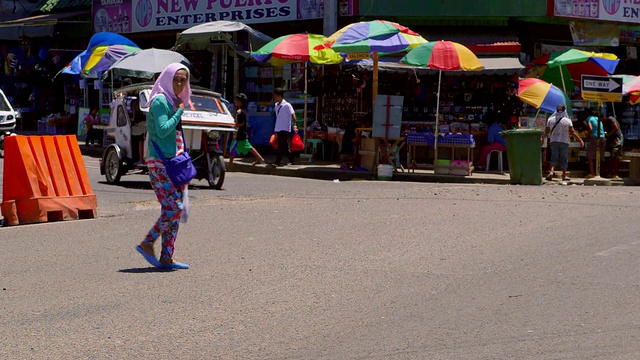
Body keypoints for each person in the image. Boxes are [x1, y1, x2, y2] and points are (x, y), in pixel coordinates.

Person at [135, 63, 192, 270]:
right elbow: (162, 130)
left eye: (183, 80)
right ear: (167, 79)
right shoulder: (160, 101)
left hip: (171, 163)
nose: (179, 83)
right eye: (176, 79)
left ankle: (167, 256)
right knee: (173, 208)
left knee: (174, 210)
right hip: (159, 163)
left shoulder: (173, 101)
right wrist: (178, 113)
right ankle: (147, 243)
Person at [545, 104, 584, 181]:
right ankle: (564, 175)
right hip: (564, 141)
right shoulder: (567, 120)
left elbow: (547, 131)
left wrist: (543, 137)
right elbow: (572, 132)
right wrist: (580, 140)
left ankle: (551, 172)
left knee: (554, 157)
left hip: (554, 141)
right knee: (564, 158)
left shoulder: (551, 119)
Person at [229, 93, 264, 165]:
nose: (235, 102)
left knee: (236, 147)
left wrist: (235, 125)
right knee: (239, 147)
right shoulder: (243, 110)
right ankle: (230, 162)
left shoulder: (240, 112)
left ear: (240, 101)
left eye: (236, 100)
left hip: (240, 133)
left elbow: (241, 123)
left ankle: (230, 163)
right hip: (241, 133)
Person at [272, 88, 297, 166]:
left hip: (285, 128)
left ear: (279, 96)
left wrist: (295, 125)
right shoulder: (276, 105)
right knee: (284, 146)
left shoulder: (287, 105)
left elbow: (293, 115)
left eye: (275, 96)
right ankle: (291, 159)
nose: (274, 98)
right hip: (278, 128)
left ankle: (277, 161)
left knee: (281, 145)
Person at [586, 109, 606, 178]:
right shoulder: (598, 119)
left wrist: (588, 135)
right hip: (602, 137)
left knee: (590, 156)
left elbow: (590, 128)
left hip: (594, 137)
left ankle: (592, 173)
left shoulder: (589, 118)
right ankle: (601, 173)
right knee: (600, 156)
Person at [129, 98, 146, 165]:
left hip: (141, 131)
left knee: (139, 141)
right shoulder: (139, 112)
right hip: (140, 130)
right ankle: (140, 159)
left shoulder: (141, 112)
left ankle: (140, 159)